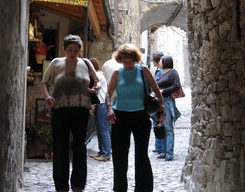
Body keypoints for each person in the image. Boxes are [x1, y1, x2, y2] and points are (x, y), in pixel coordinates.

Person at [39, 34, 99, 192]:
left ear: (80, 51)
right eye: (70, 50)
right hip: (60, 110)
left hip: (81, 110)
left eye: (76, 50)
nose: (73, 53)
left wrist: (96, 87)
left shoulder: (85, 63)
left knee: (79, 148)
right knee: (60, 148)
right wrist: (47, 97)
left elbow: (97, 80)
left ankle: (78, 185)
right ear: (64, 50)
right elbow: (44, 83)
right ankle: (61, 186)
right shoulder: (56, 63)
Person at [105, 44, 165, 192]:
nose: (128, 65)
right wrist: (109, 109)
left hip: (141, 116)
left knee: (141, 154)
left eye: (131, 61)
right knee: (119, 155)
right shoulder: (117, 73)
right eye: (125, 62)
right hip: (120, 117)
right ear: (120, 60)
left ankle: (143, 189)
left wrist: (161, 107)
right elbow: (108, 94)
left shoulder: (143, 71)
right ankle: (120, 189)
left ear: (135, 59)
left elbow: (156, 89)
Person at [156, 55, 181, 161]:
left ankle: (169, 153)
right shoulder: (163, 73)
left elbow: (177, 85)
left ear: (166, 62)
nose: (159, 62)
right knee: (161, 126)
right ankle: (164, 151)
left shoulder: (173, 72)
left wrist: (162, 91)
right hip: (159, 102)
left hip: (167, 102)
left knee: (168, 128)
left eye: (161, 61)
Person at [88, 58, 112, 162]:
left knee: (103, 130)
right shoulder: (98, 75)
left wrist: (91, 90)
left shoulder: (97, 76)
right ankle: (102, 151)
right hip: (100, 105)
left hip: (102, 104)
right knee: (100, 130)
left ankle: (106, 153)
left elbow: (97, 86)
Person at [150, 51, 164, 155]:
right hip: (157, 100)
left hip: (158, 100)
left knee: (158, 123)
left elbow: (158, 85)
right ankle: (158, 146)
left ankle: (159, 147)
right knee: (156, 123)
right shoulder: (158, 70)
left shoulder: (160, 72)